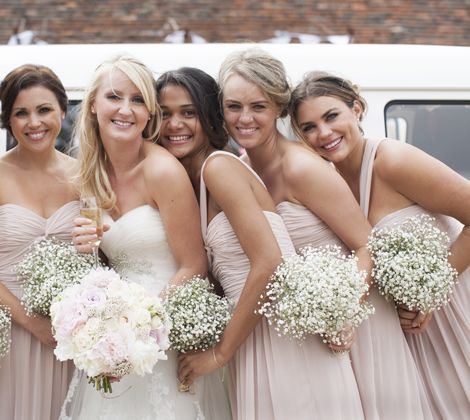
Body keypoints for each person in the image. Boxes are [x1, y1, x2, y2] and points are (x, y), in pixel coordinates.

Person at [217, 48, 434, 419]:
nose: (245, 118)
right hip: (307, 336)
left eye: (259, 106)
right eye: (234, 106)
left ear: (279, 108)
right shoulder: (238, 170)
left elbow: (367, 245)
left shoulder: (303, 168)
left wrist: (343, 314)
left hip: (359, 325)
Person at [156, 67, 364, 419]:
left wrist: (219, 354)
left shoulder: (219, 168)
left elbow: (269, 262)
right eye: (165, 115)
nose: (175, 124)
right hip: (254, 338)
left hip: (282, 343)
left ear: (209, 116)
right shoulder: (207, 177)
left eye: (188, 113)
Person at [289, 71, 470, 419]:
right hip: (406, 335)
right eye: (309, 127)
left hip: (453, 309)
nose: (323, 133)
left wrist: (433, 291)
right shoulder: (327, 180)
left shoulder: (393, 161)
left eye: (331, 116)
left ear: (356, 109)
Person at [66, 55, 229, 419]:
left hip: (159, 334)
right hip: (111, 336)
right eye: (114, 97)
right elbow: (107, 261)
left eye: (138, 99)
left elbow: (194, 265)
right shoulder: (91, 175)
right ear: (93, 105)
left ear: (148, 113)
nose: (126, 109)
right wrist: (88, 250)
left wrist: (140, 323)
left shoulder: (162, 170)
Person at [0, 64, 78, 420]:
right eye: (21, 113)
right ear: (8, 120)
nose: (34, 123)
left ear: (62, 110)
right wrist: (32, 322)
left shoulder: (84, 175)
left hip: (66, 336)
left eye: (44, 110)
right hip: (5, 333)